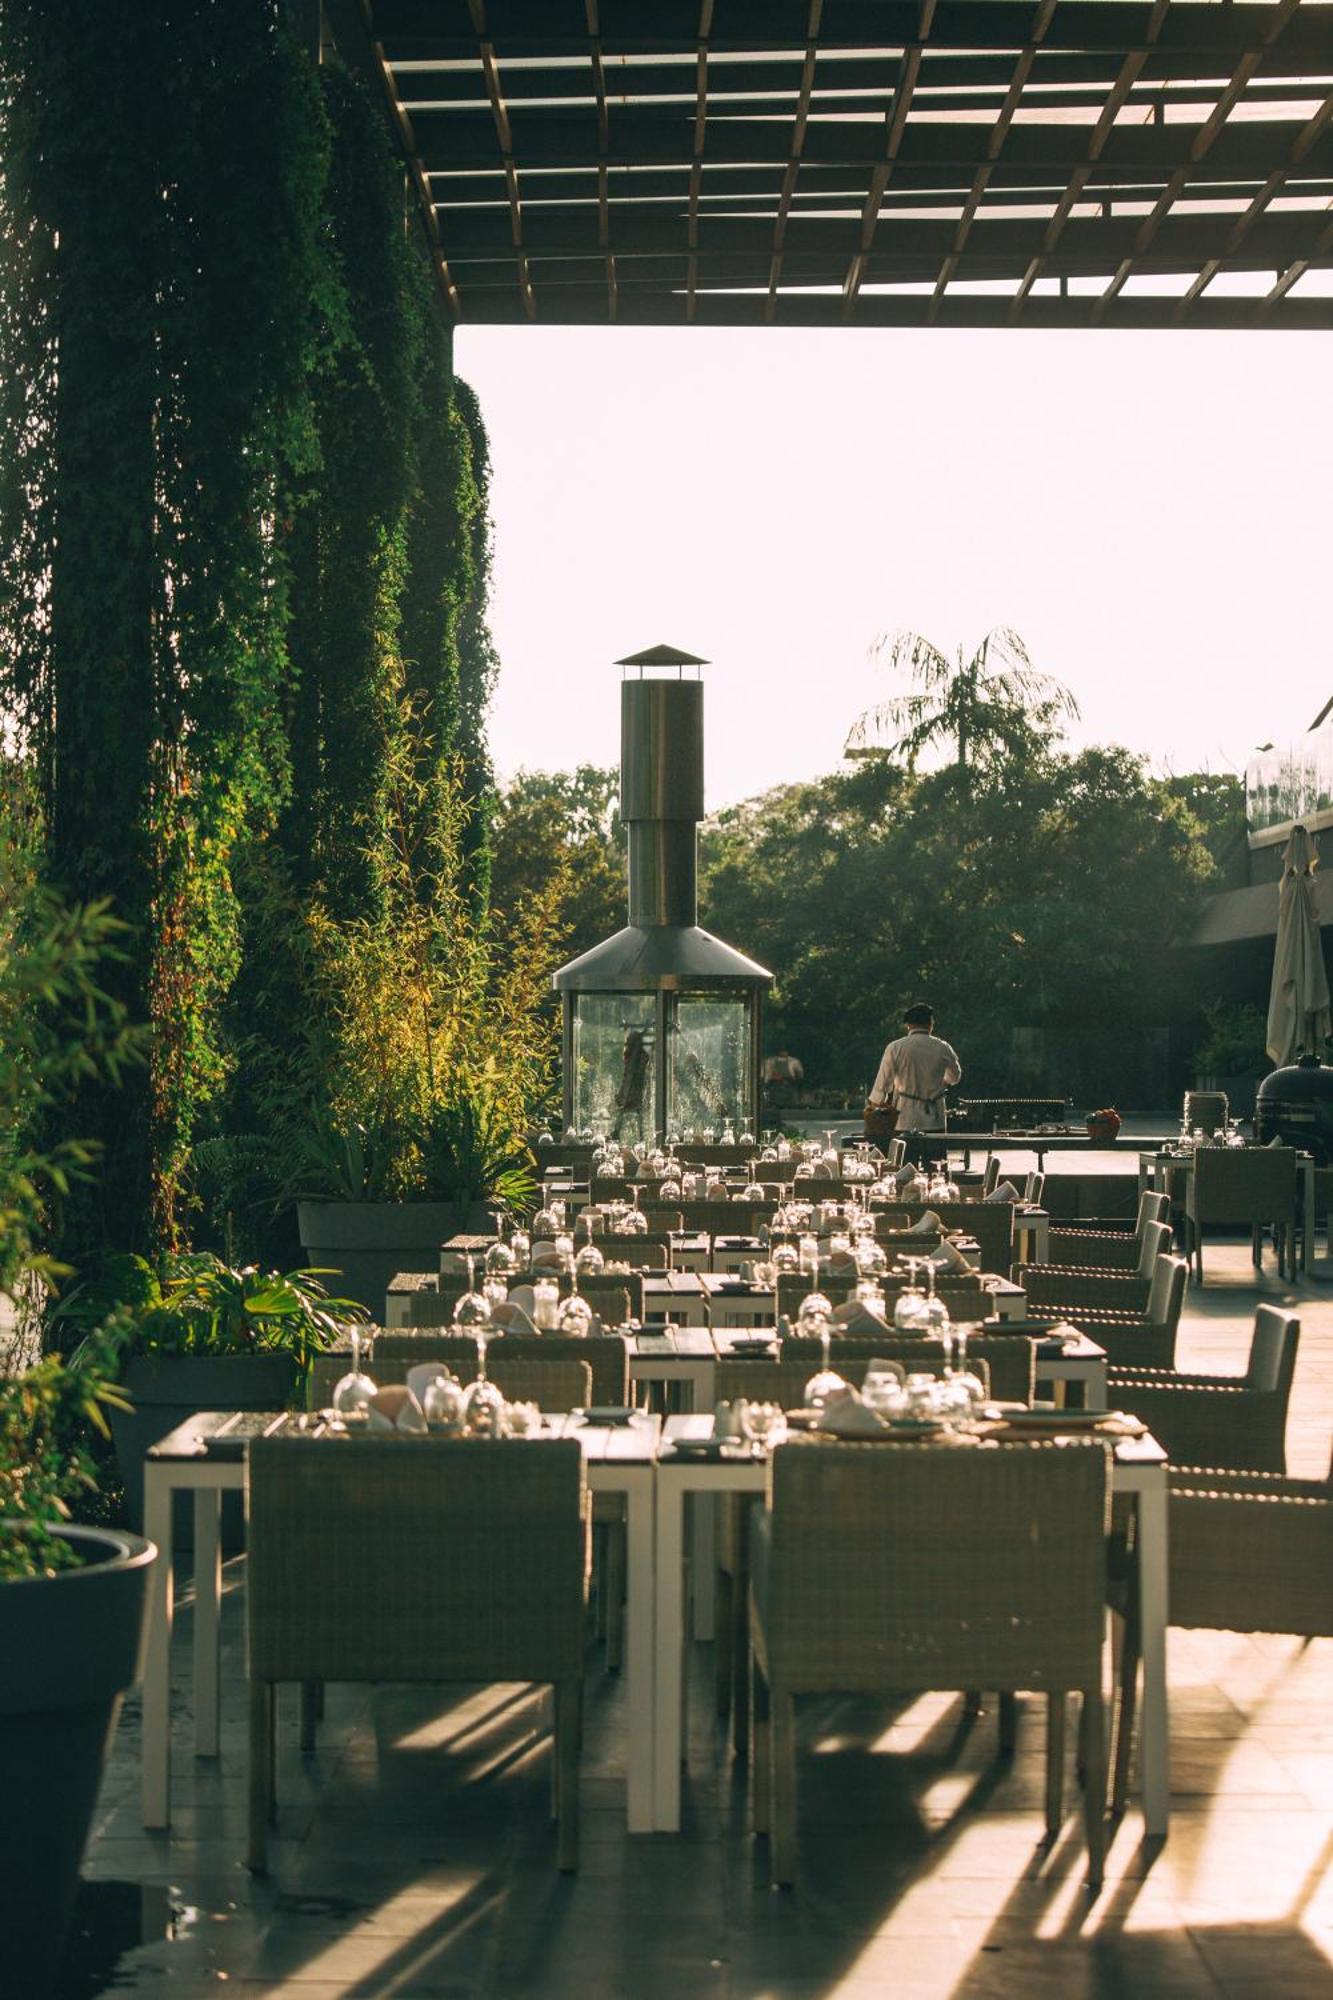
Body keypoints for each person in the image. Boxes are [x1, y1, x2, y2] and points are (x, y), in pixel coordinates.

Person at [867, 1004, 962, 1165]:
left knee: (905, 1169)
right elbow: (955, 1077)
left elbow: (881, 1088)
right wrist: (938, 1083)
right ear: (930, 1025)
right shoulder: (942, 1047)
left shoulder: (895, 1047)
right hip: (935, 1118)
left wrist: (875, 1109)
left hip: (905, 1118)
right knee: (935, 1169)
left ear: (908, 1025)